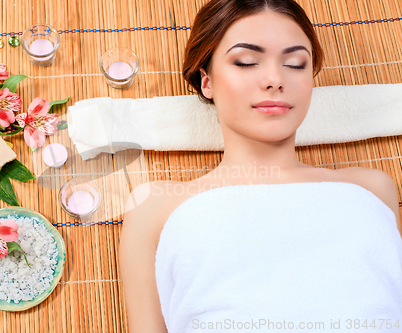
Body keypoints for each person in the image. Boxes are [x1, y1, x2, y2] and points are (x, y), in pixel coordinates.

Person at [119, 0, 402, 332]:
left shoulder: (371, 188)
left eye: (296, 64)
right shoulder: (153, 206)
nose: (274, 79)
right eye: (247, 61)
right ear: (206, 81)